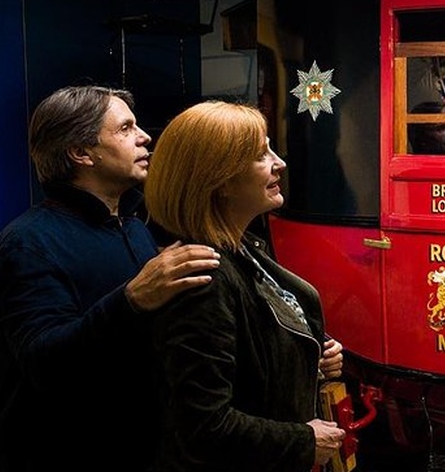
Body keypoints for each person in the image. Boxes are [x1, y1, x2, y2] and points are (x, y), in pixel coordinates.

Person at [0, 85, 222, 472]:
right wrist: (133, 298)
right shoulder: (28, 242)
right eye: (125, 128)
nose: (145, 136)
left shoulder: (134, 227)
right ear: (81, 153)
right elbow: (43, 363)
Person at [144, 100, 347, 471]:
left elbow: (254, 356)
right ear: (219, 180)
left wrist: (310, 356)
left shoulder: (244, 250)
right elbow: (203, 427)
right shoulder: (202, 279)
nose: (279, 163)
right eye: (260, 155)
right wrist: (302, 440)